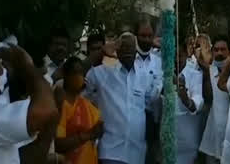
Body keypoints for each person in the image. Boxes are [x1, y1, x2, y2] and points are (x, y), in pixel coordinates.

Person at [86, 32, 153, 164]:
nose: (127, 51)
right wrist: (102, 52)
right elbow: (78, 75)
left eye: (130, 47)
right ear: (117, 50)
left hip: (137, 154)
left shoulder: (144, 77)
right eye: (123, 47)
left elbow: (151, 105)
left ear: (136, 51)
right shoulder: (103, 72)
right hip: (110, 152)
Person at [54, 57, 103, 164]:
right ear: (65, 75)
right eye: (74, 72)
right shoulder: (60, 104)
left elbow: (96, 136)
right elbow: (57, 145)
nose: (78, 76)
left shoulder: (88, 106)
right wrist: (87, 135)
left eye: (81, 72)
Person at [199, 35, 230, 164]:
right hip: (213, 132)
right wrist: (207, 72)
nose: (219, 53)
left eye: (223, 49)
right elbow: (208, 98)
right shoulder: (208, 70)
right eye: (216, 50)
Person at [134, 18, 163, 164]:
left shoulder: (159, 62)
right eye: (142, 35)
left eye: (149, 36)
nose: (146, 39)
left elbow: (158, 91)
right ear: (136, 36)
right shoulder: (128, 59)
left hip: (153, 124)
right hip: (132, 122)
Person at [176, 43, 206, 164]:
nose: (176, 59)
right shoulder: (163, 73)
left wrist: (186, 99)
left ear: (185, 55)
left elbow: (198, 103)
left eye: (179, 55)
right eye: (173, 55)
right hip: (167, 142)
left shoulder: (195, 74)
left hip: (188, 142)